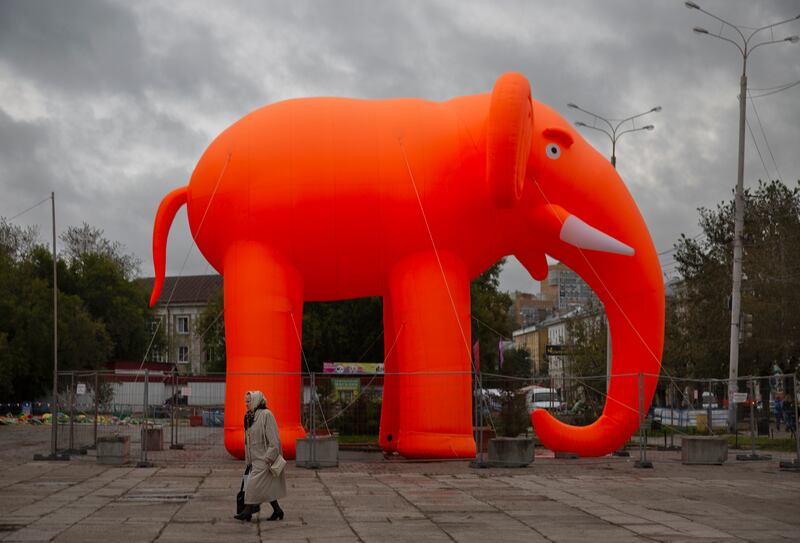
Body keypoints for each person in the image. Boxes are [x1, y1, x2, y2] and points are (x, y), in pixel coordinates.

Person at [234, 390, 287, 522]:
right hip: (254, 459)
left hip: (264, 459)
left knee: (252, 486)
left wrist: (268, 458)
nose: (246, 404)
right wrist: (248, 459)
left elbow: (274, 440)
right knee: (264, 487)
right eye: (245, 401)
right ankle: (277, 510)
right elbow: (248, 440)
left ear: (256, 401)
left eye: (248, 401)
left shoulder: (266, 415)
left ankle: (247, 511)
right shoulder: (249, 416)